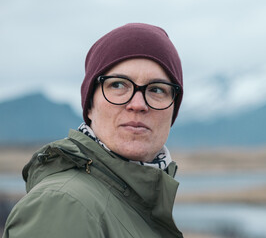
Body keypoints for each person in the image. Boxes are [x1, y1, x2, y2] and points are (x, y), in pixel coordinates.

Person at [2, 23, 184, 238]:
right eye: (118, 85)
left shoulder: (135, 204)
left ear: (173, 111)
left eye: (156, 89)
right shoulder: (65, 204)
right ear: (89, 105)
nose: (138, 104)